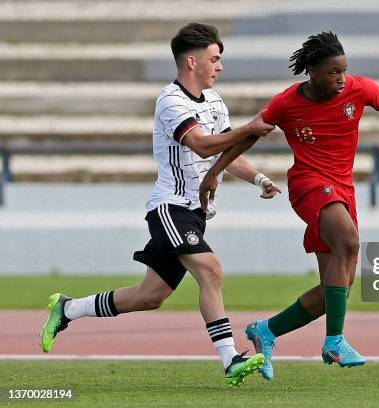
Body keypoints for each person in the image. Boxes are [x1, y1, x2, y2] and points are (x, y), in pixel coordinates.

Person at [198, 31, 379, 380]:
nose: (341, 78)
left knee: (335, 290)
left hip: (343, 190)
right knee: (348, 243)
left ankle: (266, 331)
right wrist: (215, 171)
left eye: (344, 70)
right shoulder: (286, 103)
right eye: (334, 71)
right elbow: (250, 135)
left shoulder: (358, 89)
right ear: (313, 71)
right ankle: (335, 341)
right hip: (309, 184)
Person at [38, 22, 281, 387]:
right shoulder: (171, 100)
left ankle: (67, 309)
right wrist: (249, 129)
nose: (220, 67)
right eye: (214, 59)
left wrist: (259, 178)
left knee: (150, 296)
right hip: (170, 208)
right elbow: (201, 144)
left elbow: (226, 154)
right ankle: (230, 359)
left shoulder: (215, 102)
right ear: (191, 61)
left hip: (195, 214)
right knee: (211, 270)